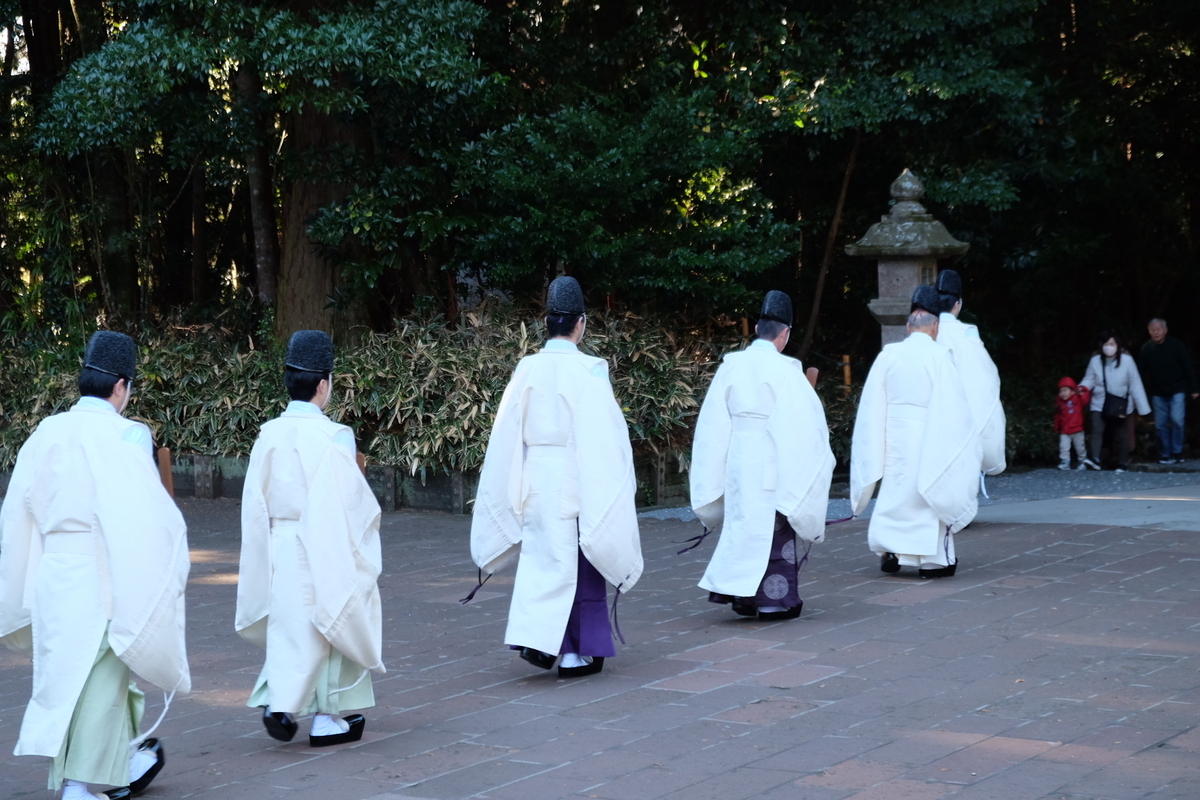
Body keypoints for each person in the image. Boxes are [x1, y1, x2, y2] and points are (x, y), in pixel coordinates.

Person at [0, 331, 190, 800]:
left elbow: (16, 512)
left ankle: (124, 760)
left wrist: (22, 577)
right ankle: (80, 784)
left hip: (54, 570)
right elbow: (145, 514)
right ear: (121, 385)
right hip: (103, 570)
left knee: (67, 674)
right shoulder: (128, 434)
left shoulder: (46, 432)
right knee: (102, 676)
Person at [470, 276, 643, 678]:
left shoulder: (527, 368)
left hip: (534, 478)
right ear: (581, 323)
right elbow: (606, 437)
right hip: (576, 477)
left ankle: (539, 640)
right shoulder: (590, 370)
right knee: (581, 564)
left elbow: (507, 432)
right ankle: (574, 653)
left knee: (541, 561)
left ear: (546, 322)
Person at [236, 330, 383, 747]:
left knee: (290, 626)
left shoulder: (268, 433)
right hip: (325, 539)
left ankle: (282, 701)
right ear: (323, 384)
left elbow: (254, 500)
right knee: (333, 621)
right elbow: (351, 503)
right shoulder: (336, 435)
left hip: (280, 541)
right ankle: (325, 716)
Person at [689, 290, 835, 620]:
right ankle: (772, 601)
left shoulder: (731, 366)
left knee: (741, 526)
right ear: (785, 334)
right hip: (773, 457)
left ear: (757, 329)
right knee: (774, 528)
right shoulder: (788, 371)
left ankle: (742, 596)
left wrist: (715, 469)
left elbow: (712, 424)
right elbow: (806, 426)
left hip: (739, 458)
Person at [849, 286, 980, 578]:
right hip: (929, 435)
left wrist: (874, 443)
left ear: (908, 326)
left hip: (895, 435)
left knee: (895, 490)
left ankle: (891, 549)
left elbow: (872, 405)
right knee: (930, 490)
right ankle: (932, 561)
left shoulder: (889, 355)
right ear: (936, 327)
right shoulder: (940, 356)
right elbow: (954, 409)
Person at [934, 270, 1006, 477]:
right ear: (958, 304)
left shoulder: (928, 331)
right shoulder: (968, 332)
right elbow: (986, 374)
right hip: (964, 409)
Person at [1079, 331, 1151, 473]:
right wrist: (1082, 388)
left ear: (1118, 345)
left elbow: (1135, 384)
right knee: (1097, 430)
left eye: (1112, 344)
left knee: (1120, 434)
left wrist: (1143, 408)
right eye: (1106, 344)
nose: (1109, 347)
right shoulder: (1095, 361)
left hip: (1120, 403)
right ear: (1101, 345)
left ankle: (1123, 462)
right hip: (1099, 401)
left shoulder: (1127, 361)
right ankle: (1095, 459)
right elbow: (1089, 378)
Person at [1137, 319, 1199, 464]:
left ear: (1165, 330)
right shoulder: (1146, 349)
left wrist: (1194, 388)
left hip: (1177, 389)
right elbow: (1140, 373)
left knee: (1177, 420)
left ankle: (1177, 451)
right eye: (1152, 330)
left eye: (1158, 329)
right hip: (1158, 391)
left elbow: (1187, 366)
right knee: (1160, 425)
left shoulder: (1176, 345)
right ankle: (1165, 453)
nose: (1156, 332)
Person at [1054, 377, 1091, 470]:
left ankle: (1082, 461)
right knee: (1064, 447)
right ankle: (1065, 461)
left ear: (1072, 391)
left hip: (1077, 429)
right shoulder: (1061, 403)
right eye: (1061, 391)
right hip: (1065, 430)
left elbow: (1086, 398)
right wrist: (1057, 426)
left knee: (1080, 448)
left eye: (1065, 390)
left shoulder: (1078, 399)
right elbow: (1059, 416)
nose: (1062, 393)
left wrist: (1082, 389)